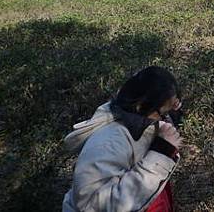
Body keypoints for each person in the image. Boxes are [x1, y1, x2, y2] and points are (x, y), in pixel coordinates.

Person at [62, 66, 184, 212]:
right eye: (164, 113)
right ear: (140, 106)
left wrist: (172, 110)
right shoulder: (108, 142)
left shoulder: (136, 119)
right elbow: (91, 206)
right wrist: (161, 153)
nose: (166, 120)